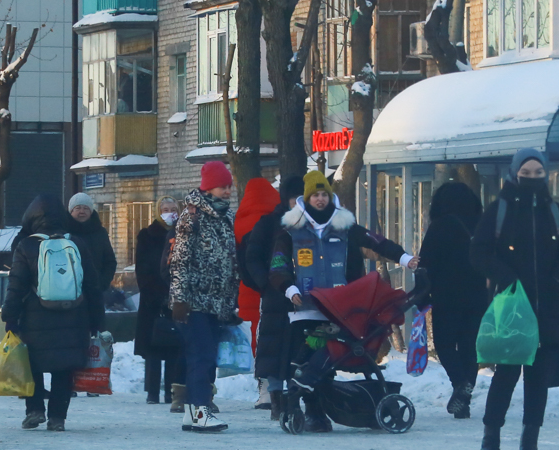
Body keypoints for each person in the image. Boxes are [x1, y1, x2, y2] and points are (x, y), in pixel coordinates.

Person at [270, 171, 417, 432]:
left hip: (343, 306)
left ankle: (321, 411)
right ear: (307, 197)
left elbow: (377, 242)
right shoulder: (291, 230)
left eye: (324, 194)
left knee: (328, 356)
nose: (320, 199)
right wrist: (288, 287)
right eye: (315, 194)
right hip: (305, 305)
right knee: (308, 358)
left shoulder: (345, 226)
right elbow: (278, 264)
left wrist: (405, 259)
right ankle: (314, 412)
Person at [470, 148, 559, 450]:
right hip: (512, 307)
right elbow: (478, 252)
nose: (532, 178)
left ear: (546, 175)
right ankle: (490, 442)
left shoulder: (555, 212)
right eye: (526, 173)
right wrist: (506, 276)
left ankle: (529, 446)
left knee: (538, 378)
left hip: (547, 308)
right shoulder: (499, 210)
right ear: (514, 173)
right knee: (506, 374)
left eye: (538, 173)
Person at [2, 194, 103, 431]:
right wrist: (97, 319)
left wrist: (9, 316)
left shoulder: (27, 245)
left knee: (33, 365)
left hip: (35, 316)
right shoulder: (76, 243)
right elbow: (92, 284)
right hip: (74, 315)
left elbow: (16, 285)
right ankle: (58, 417)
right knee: (64, 368)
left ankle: (35, 410)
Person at [170, 161, 240, 433]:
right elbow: (180, 260)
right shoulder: (193, 216)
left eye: (229, 186)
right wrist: (179, 299)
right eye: (223, 186)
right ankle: (200, 410)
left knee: (206, 356)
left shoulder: (226, 217)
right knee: (202, 356)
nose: (227, 191)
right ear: (209, 187)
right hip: (194, 300)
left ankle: (192, 413)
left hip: (217, 301)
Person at [418, 181, 488, 419]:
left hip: (446, 297)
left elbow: (425, 264)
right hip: (478, 295)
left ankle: (460, 384)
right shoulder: (481, 225)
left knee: (445, 345)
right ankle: (464, 400)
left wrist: (421, 296)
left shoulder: (439, 226)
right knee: (470, 346)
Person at [234, 177, 285, 414]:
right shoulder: (277, 222)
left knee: (257, 339)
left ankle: (263, 388)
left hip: (247, 290)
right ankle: (279, 389)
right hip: (277, 290)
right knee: (277, 339)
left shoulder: (238, 223)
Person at [134, 197, 181, 404]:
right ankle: (152, 391)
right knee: (153, 346)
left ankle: (171, 391)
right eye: (165, 209)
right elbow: (142, 268)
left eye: (173, 209)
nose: (169, 213)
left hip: (176, 296)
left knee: (174, 346)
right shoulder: (147, 235)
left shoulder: (184, 233)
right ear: (157, 211)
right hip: (152, 298)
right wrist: (155, 292)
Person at [68, 192, 118, 292]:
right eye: (78, 208)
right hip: (69, 290)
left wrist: (102, 283)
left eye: (86, 208)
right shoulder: (64, 232)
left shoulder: (100, 232)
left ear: (91, 211)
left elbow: (110, 261)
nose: (82, 211)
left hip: (95, 290)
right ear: (71, 211)